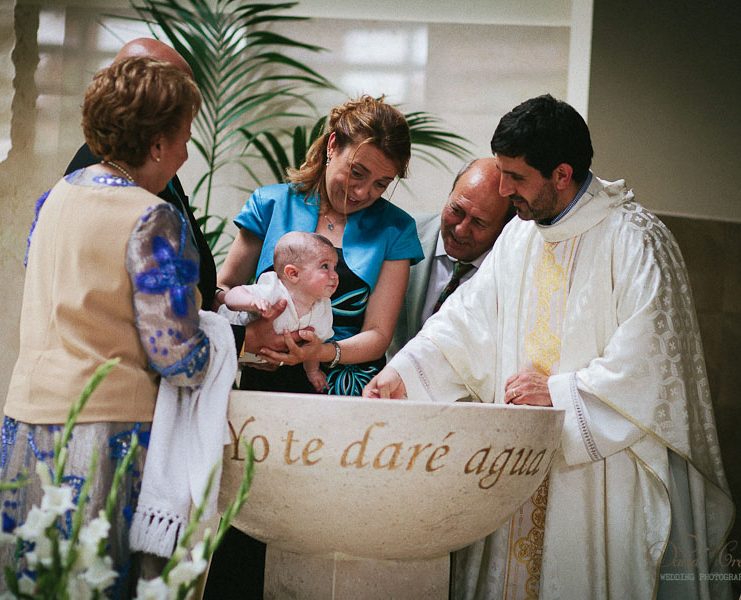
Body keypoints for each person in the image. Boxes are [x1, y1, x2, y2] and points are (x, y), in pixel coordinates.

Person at [364, 94, 734, 600]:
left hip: (598, 482)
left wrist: (558, 394)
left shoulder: (636, 240)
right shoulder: (519, 238)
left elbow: (650, 364)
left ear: (562, 174)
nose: (502, 189)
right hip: (516, 469)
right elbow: (467, 323)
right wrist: (404, 373)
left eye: (515, 177)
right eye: (500, 171)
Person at [0, 56, 207, 596]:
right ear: (157, 144)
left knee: (24, 581)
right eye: (183, 138)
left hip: (25, 417)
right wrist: (219, 341)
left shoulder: (57, 195)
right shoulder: (153, 217)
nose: (185, 152)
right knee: (89, 583)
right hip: (105, 429)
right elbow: (177, 355)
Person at [203, 95, 422, 599]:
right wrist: (244, 316)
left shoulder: (396, 230)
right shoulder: (271, 203)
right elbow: (217, 288)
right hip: (264, 390)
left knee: (334, 540)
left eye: (382, 183)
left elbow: (379, 335)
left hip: (346, 390)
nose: (365, 191)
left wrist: (320, 354)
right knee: (250, 528)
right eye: (358, 171)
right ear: (331, 146)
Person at [64, 37, 217, 309]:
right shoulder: (146, 215)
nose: (185, 154)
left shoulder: (63, 193)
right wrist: (241, 337)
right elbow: (171, 335)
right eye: (185, 138)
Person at [388, 158, 513, 357]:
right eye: (456, 210)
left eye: (479, 223)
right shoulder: (400, 236)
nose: (461, 230)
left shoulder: (512, 276)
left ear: (504, 228)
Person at [219, 231, 339, 391]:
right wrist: (250, 301)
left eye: (334, 267)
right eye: (325, 267)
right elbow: (231, 297)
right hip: (223, 344)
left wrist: (313, 371)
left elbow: (310, 348)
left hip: (263, 363)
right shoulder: (273, 290)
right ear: (293, 273)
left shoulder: (322, 309)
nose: (335, 275)